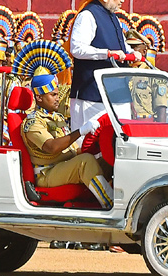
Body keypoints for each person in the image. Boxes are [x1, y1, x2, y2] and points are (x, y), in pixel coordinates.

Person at [23, 69, 114, 209]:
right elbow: (52, 147)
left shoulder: (57, 118)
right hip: (48, 172)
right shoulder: (33, 122)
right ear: (39, 97)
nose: (57, 98)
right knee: (85, 162)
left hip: (66, 166)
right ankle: (111, 205)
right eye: (52, 95)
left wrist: (99, 152)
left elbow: (74, 149)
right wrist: (81, 131)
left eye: (57, 94)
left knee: (109, 159)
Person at [68, 0, 137, 134]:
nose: (122, 0)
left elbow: (121, 46)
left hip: (116, 92)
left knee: (119, 139)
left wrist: (133, 53)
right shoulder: (88, 15)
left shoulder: (113, 16)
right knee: (88, 144)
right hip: (91, 95)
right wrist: (106, 53)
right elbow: (76, 48)